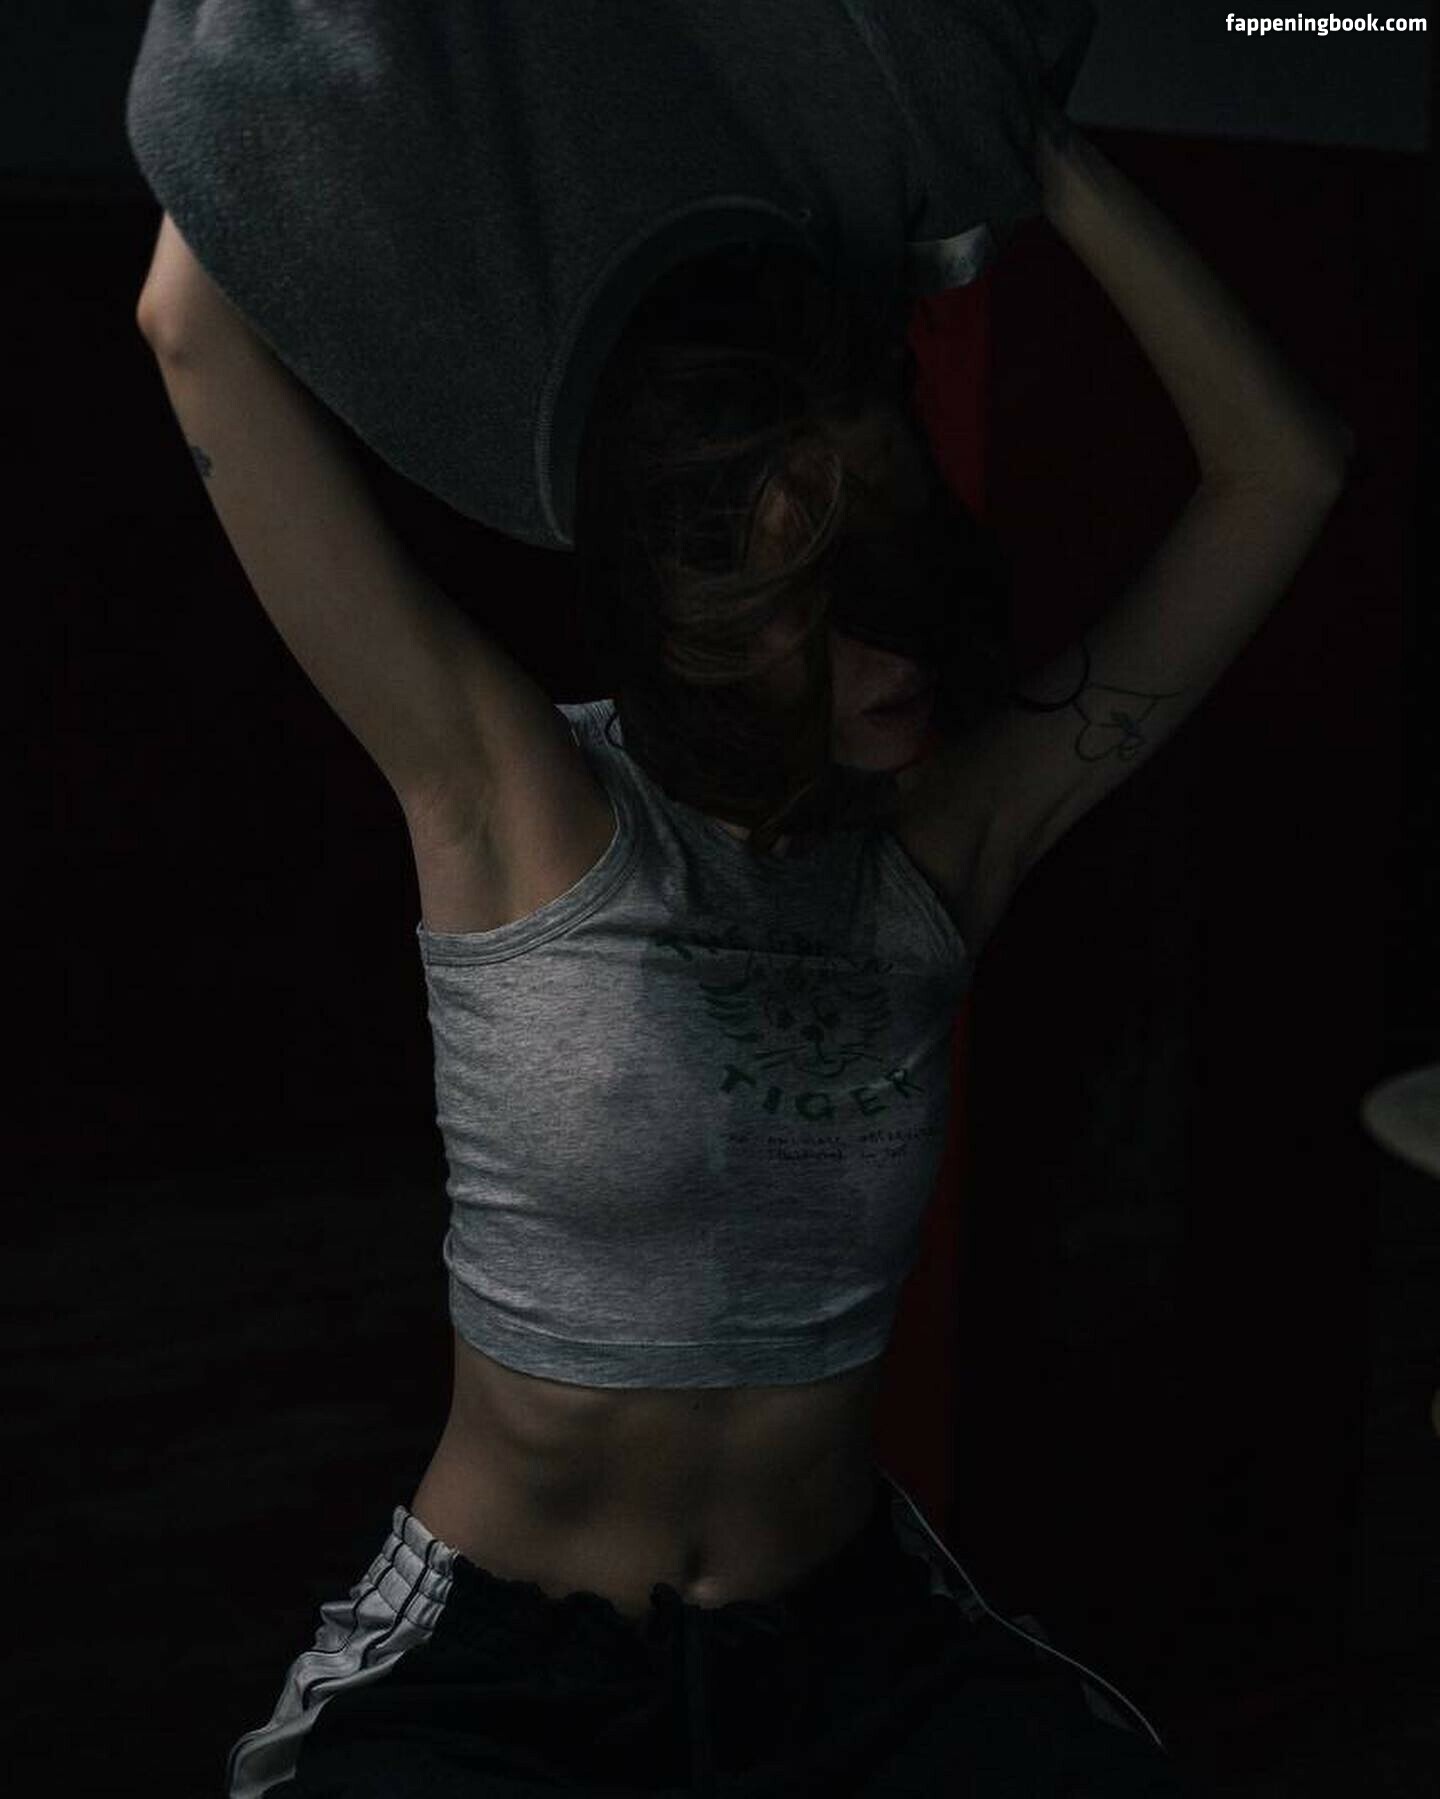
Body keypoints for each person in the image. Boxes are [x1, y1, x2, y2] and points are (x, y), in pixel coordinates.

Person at [134, 49, 1354, 1799]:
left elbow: (1283, 476)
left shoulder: (945, 839)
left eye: (914, 577)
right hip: (502, 1658)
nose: (902, 652)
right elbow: (189, 327)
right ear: (697, 619)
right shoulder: (515, 799)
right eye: (831, 608)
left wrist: (1017, 143)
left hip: (846, 1643)